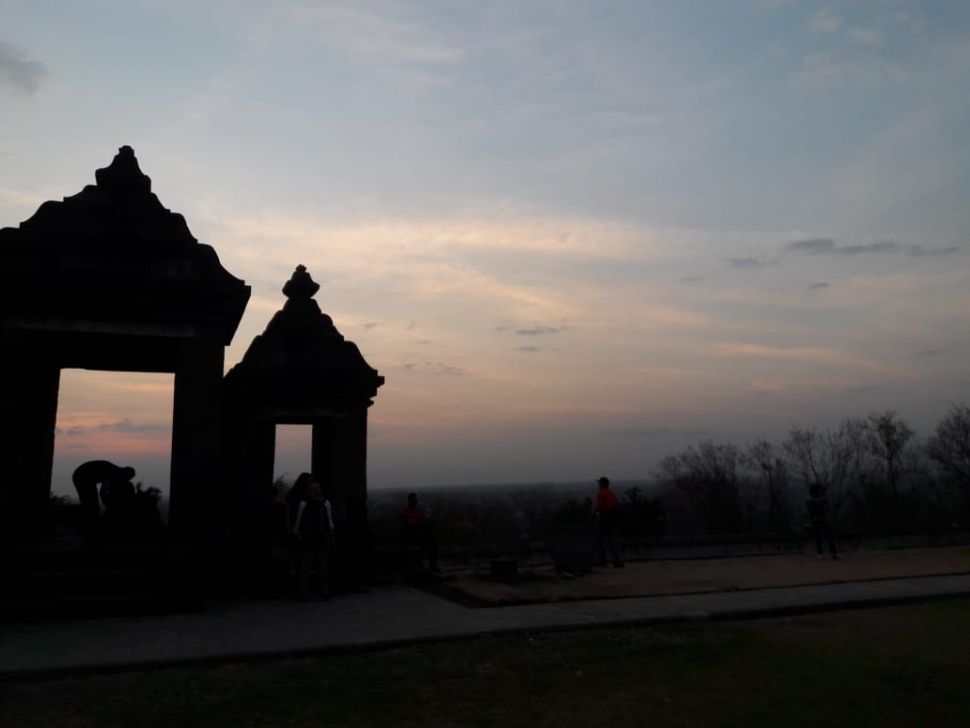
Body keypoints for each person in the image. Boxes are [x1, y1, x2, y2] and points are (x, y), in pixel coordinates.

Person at [293, 479, 334, 600]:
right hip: (318, 537)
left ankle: (304, 593)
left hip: (309, 538)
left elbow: (298, 521)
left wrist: (296, 533)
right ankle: (323, 591)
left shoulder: (304, 503)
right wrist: (331, 537)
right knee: (321, 566)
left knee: (307, 565)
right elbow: (330, 522)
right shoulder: (325, 503)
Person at [401, 492, 439, 573]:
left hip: (421, 536)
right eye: (413, 500)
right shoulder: (406, 512)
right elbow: (406, 524)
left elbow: (425, 520)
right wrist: (418, 522)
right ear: (410, 501)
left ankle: (432, 566)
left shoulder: (420, 510)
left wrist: (426, 519)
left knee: (434, 545)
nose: (415, 501)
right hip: (411, 538)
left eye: (416, 499)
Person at [593, 476, 623, 567]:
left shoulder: (600, 494)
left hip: (604, 518)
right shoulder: (611, 493)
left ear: (602, 484)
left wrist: (593, 513)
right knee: (613, 541)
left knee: (600, 540)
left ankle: (603, 560)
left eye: (599, 483)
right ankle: (617, 561)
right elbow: (617, 504)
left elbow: (599, 505)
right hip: (612, 519)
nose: (598, 485)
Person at [806, 483, 838, 560]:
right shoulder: (810, 500)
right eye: (818, 489)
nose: (820, 490)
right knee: (818, 538)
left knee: (829, 537)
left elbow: (827, 508)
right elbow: (810, 510)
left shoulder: (823, 499)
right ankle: (820, 554)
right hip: (816, 520)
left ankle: (833, 554)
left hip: (823, 520)